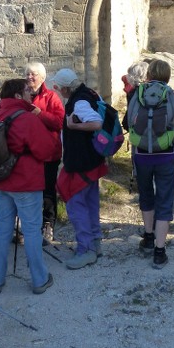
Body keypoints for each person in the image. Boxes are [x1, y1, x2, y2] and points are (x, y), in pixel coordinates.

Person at [0, 78, 56, 295]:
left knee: (1, 228)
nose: (30, 94)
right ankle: (39, 279)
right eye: (27, 91)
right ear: (17, 96)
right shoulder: (26, 118)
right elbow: (47, 150)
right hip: (25, 182)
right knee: (32, 230)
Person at [130, 58, 174, 268]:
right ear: (168, 75)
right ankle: (159, 252)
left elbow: (128, 123)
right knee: (164, 201)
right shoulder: (172, 96)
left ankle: (147, 237)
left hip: (142, 155)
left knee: (146, 195)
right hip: (165, 155)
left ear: (149, 74)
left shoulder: (137, 94)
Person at [52, 68, 107, 270]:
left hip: (80, 163)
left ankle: (86, 250)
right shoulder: (89, 94)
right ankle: (95, 244)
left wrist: (74, 127)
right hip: (92, 161)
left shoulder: (79, 102)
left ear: (66, 88)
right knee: (90, 203)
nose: (57, 91)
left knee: (76, 206)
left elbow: (96, 123)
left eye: (58, 87)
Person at [24, 61, 65, 244]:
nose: (30, 77)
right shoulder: (22, 96)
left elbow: (59, 122)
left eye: (33, 74)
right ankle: (29, 226)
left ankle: (48, 225)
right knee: (28, 190)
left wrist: (39, 113)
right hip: (27, 154)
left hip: (48, 153)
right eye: (27, 74)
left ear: (42, 77)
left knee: (48, 190)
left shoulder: (51, 97)